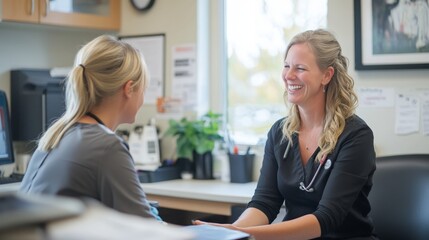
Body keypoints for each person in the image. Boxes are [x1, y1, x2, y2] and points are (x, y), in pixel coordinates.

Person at [194, 29, 378, 239]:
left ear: (326, 75)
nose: (289, 75)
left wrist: (245, 233)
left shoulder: (355, 136)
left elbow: (327, 218)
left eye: (300, 68)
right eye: (286, 66)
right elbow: (265, 202)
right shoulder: (280, 133)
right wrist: (234, 233)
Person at [20, 35, 160, 220]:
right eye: (144, 88)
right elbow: (149, 231)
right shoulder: (107, 147)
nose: (143, 98)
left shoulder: (58, 134)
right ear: (129, 89)